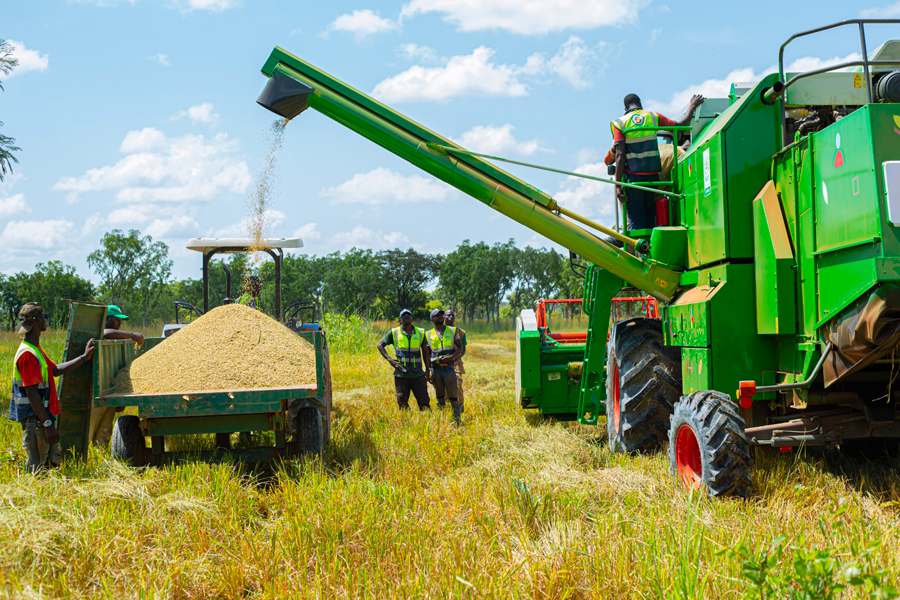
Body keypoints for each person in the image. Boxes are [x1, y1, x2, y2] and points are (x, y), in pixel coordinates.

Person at [10, 303, 94, 472]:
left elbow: (55, 370)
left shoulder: (35, 349)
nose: (46, 320)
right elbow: (32, 393)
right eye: (44, 317)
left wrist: (84, 358)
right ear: (37, 321)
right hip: (35, 419)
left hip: (41, 417)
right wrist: (47, 424)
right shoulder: (28, 354)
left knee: (49, 466)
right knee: (38, 469)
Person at [612, 93, 704, 230]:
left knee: (637, 223)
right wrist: (692, 105)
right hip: (653, 178)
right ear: (640, 103)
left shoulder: (619, 123)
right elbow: (680, 125)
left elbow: (620, 155)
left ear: (625, 108)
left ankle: (641, 249)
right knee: (651, 218)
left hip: (634, 180)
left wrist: (618, 184)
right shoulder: (653, 117)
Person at [89, 305, 144, 447]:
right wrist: (132, 335)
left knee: (104, 432)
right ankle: (84, 460)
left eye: (121, 320)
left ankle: (99, 457)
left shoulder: (117, 339)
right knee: (90, 430)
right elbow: (106, 333)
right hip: (97, 391)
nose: (120, 323)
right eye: (117, 319)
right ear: (107, 318)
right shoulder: (101, 333)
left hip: (110, 390)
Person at [377, 309, 432, 411]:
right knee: (402, 402)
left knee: (424, 402)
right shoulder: (394, 332)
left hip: (418, 374)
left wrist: (428, 369)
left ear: (412, 318)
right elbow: (380, 345)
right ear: (400, 319)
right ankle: (407, 422)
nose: (406, 316)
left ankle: (426, 422)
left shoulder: (420, 332)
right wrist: (390, 360)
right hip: (401, 374)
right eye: (404, 315)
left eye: (409, 315)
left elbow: (425, 352)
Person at [426, 308, 464, 423]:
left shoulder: (452, 331)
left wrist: (451, 357)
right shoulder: (428, 334)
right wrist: (427, 371)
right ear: (432, 319)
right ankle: (442, 420)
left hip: (449, 368)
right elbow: (427, 354)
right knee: (440, 397)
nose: (440, 317)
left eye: (441, 315)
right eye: (437, 315)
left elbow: (460, 347)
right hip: (436, 369)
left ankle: (457, 420)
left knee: (453, 396)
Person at [438, 308, 467, 413]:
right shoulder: (439, 331)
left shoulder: (460, 332)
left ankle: (460, 409)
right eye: (448, 315)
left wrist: (455, 357)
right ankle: (446, 411)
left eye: (452, 315)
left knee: (457, 385)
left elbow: (463, 350)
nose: (450, 317)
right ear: (443, 317)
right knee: (444, 388)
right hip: (441, 364)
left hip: (455, 364)